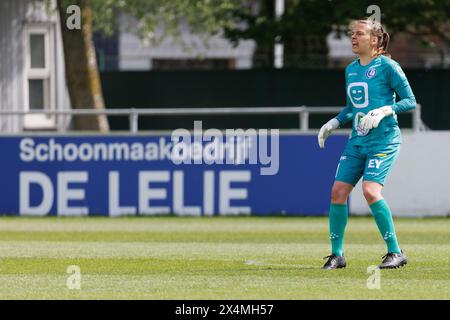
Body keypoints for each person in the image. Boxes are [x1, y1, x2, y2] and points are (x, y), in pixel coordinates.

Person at [318, 18, 416, 269]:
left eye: (359, 33)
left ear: (374, 40)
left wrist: (385, 110)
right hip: (357, 142)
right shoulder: (350, 69)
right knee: (338, 192)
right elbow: (353, 108)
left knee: (371, 192)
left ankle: (395, 252)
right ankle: (337, 255)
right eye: (352, 33)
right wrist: (334, 122)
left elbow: (409, 101)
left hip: (384, 140)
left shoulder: (388, 66)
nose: (353, 37)